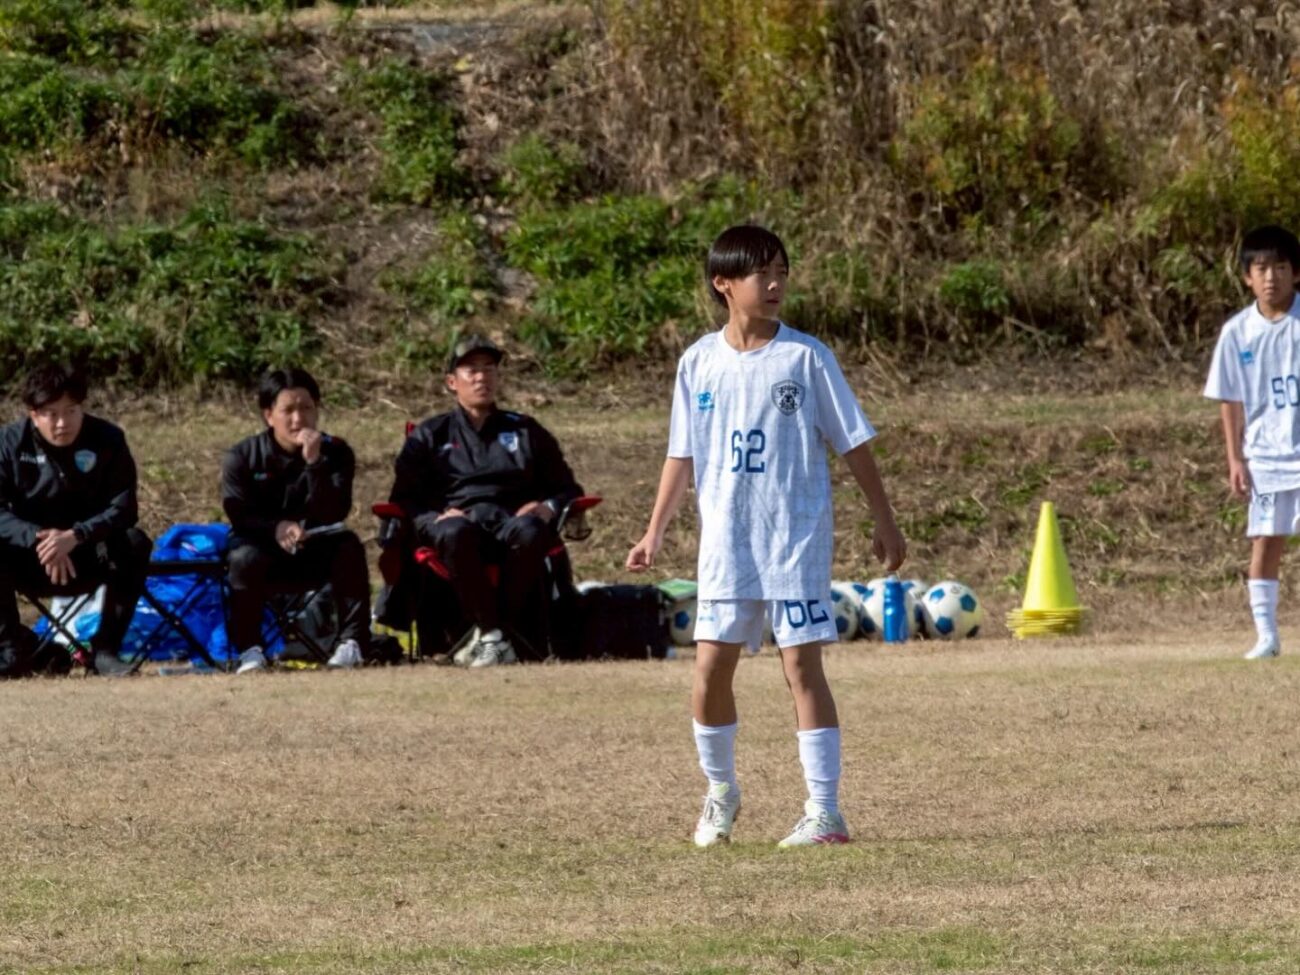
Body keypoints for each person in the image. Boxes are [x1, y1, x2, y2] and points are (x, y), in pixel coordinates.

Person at [626, 225, 906, 848]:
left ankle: (825, 812)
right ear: (724, 284)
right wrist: (653, 533)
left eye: (782, 270)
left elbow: (853, 442)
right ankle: (721, 792)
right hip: (728, 545)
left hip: (794, 541)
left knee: (802, 667)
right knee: (709, 671)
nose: (776, 283)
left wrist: (884, 518)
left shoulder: (806, 359)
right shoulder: (697, 361)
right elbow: (682, 454)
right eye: (762, 273)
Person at [386, 335, 583, 667]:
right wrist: (434, 517)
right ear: (452, 382)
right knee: (453, 531)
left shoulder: (525, 430)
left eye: (489, 369)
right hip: (457, 536)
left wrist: (547, 508)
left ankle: (491, 636)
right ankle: (494, 634)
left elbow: (568, 489)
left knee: (532, 528)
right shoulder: (429, 435)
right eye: (471, 371)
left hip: (512, 529)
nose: (482, 378)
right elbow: (404, 499)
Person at [0, 364, 150, 678]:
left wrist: (76, 536)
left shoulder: (108, 439)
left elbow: (124, 508)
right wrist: (40, 537)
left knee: (134, 542)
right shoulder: (9, 444)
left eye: (71, 410)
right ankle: (11, 651)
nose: (62, 423)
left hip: (88, 556)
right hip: (30, 558)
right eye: (51, 413)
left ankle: (106, 651)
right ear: (33, 414)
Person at [221, 367, 369, 674]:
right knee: (242, 557)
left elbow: (335, 511)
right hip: (266, 553)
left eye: (306, 408)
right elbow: (239, 514)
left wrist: (314, 463)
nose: (298, 419)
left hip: (313, 550)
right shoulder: (244, 455)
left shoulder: (337, 452)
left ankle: (351, 643)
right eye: (288, 410)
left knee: (349, 546)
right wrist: (274, 527)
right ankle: (250, 650)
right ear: (268, 414)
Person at [1204, 224, 1300, 660]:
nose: (1271, 277)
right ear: (1247, 276)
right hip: (1265, 457)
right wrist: (1235, 459)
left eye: (1280, 267)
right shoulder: (1236, 332)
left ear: (1295, 273)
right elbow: (1231, 398)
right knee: (1266, 541)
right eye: (1261, 267)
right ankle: (1266, 636)